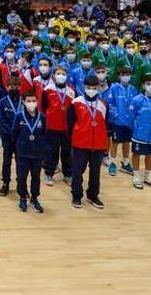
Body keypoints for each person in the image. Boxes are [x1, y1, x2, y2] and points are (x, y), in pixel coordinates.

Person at [67, 75, 107, 209]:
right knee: (78, 171)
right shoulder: (76, 102)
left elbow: (105, 124)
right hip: (80, 143)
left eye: (94, 88)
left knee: (95, 172)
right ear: (84, 87)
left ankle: (93, 195)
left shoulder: (103, 104)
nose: (91, 90)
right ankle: (76, 196)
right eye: (89, 87)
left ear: (98, 88)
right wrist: (71, 140)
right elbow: (70, 123)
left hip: (98, 144)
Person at [14, 90, 47, 213]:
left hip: (37, 154)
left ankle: (34, 198)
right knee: (22, 177)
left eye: (34, 101)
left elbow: (44, 134)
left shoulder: (42, 117)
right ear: (24, 102)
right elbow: (14, 133)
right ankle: (22, 198)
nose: (31, 103)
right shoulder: (19, 116)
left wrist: (41, 149)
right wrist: (19, 146)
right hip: (22, 153)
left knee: (36, 178)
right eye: (29, 101)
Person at [128, 75, 151, 189]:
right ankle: (136, 175)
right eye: (148, 84)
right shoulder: (137, 100)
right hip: (139, 134)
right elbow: (131, 116)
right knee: (137, 154)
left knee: (150, 155)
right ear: (143, 85)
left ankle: (148, 176)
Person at [41, 66, 74, 186]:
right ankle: (49, 173)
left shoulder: (71, 91)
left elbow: (72, 110)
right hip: (51, 126)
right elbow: (44, 107)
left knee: (67, 152)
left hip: (66, 127)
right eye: (58, 73)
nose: (61, 76)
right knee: (51, 151)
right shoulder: (47, 89)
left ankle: (68, 174)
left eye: (63, 73)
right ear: (53, 76)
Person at [103, 67, 135, 176]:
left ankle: (125, 163)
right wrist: (116, 116)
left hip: (129, 122)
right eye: (123, 74)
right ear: (119, 76)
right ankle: (112, 162)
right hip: (118, 121)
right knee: (115, 142)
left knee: (127, 142)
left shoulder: (133, 89)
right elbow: (110, 103)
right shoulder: (114, 88)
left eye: (127, 74)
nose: (125, 76)